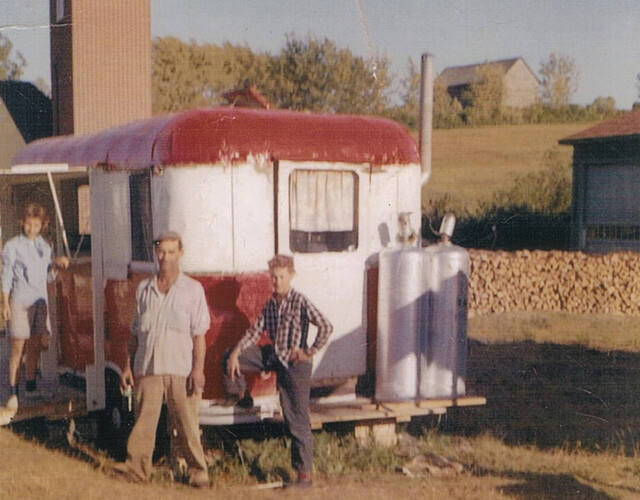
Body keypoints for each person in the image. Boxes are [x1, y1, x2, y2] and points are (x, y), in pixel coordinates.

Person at [224, 254, 333, 489]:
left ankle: (303, 476)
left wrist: (309, 351)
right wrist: (235, 352)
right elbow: (255, 332)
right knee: (230, 355)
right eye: (273, 278)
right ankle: (242, 396)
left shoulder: (300, 301)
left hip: (295, 365)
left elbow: (325, 326)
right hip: (275, 356)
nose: (277, 282)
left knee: (296, 419)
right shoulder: (270, 303)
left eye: (281, 277)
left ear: (291, 276)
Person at [115, 230, 210, 488]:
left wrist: (198, 371)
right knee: (143, 425)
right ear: (155, 253)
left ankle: (198, 473)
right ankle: (136, 471)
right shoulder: (144, 289)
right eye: (161, 252)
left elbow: (199, 336)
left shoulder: (193, 290)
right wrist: (127, 365)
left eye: (171, 252)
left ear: (181, 253)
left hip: (181, 369)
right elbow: (135, 333)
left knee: (188, 425)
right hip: (147, 367)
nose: (165, 257)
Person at [1, 203, 69, 413]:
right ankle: (13, 391)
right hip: (19, 301)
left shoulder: (45, 246)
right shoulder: (12, 246)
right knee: (18, 348)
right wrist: (4, 303)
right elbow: (6, 277)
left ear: (42, 225)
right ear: (23, 223)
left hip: (40, 302)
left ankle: (30, 384)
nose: (32, 228)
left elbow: (48, 276)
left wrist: (57, 266)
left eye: (36, 224)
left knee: (36, 345)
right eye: (29, 224)